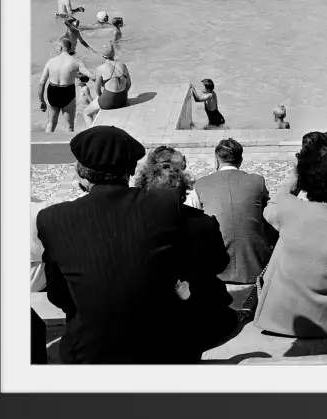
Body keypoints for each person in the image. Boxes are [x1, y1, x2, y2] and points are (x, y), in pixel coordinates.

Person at [36, 126, 224, 363]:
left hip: (90, 350)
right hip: (164, 347)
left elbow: (58, 294)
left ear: (80, 171)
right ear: (132, 169)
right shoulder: (164, 203)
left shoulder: (52, 218)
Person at [253, 132, 327, 337]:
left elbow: (276, 200)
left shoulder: (287, 208)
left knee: (283, 244)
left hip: (279, 318)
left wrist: (298, 175)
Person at [136, 152, 239, 346]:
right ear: (183, 193)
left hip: (149, 312)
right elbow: (219, 264)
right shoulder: (203, 223)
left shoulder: (133, 224)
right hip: (197, 311)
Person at [186, 138, 276, 287]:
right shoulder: (257, 181)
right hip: (255, 268)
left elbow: (188, 216)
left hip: (216, 271)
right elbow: (270, 216)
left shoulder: (201, 184)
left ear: (216, 160)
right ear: (240, 161)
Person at [38, 39, 91, 132]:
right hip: (67, 92)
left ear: (60, 47)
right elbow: (88, 73)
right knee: (69, 126)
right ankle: (68, 145)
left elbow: (42, 82)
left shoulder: (50, 61)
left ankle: (46, 145)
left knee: (51, 123)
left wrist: (42, 101)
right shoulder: (76, 61)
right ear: (70, 47)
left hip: (53, 92)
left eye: (57, 47)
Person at [82, 45, 131, 126]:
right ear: (114, 54)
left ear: (103, 56)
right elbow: (128, 84)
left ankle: (93, 135)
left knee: (86, 113)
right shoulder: (123, 65)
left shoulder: (101, 68)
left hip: (108, 102)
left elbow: (97, 90)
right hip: (123, 100)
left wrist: (103, 98)